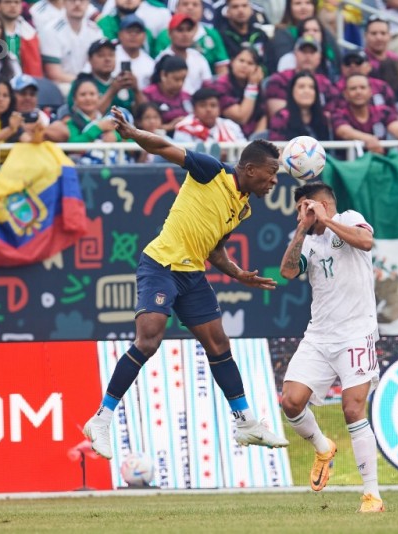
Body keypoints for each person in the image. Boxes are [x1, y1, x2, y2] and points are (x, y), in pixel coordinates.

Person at [83, 106, 289, 459]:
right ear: (250, 169)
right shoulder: (212, 171)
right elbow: (165, 147)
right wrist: (133, 134)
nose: (274, 182)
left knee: (219, 344)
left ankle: (245, 423)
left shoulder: (243, 207)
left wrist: (237, 273)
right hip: (161, 264)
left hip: (191, 275)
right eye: (271, 174)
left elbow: (215, 249)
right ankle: (101, 419)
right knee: (149, 339)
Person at [279, 182, 384, 514]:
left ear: (322, 204)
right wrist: (301, 229)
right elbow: (287, 271)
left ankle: (372, 496)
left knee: (353, 409)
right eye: (298, 210)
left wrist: (326, 219)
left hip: (356, 333)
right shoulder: (306, 240)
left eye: (304, 207)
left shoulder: (349, 218)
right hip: (319, 335)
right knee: (290, 402)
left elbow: (366, 242)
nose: (300, 214)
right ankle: (323, 447)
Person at [332, 73, 398, 154]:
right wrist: (367, 139)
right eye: (353, 89)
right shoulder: (338, 114)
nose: (358, 92)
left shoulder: (383, 111)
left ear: (370, 91)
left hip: (380, 159)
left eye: (363, 87)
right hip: (348, 161)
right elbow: (344, 132)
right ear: (345, 94)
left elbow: (397, 127)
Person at [203, 44, 266, 137]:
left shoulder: (257, 84)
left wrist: (257, 140)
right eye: (241, 61)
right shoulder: (220, 85)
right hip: (225, 137)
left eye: (250, 63)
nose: (244, 66)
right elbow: (241, 117)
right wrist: (252, 86)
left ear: (257, 68)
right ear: (232, 62)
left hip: (251, 139)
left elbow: (262, 115)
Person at [155, 0, 230, 76]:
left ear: (203, 10)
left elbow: (222, 68)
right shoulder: (164, 35)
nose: (190, 8)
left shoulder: (212, 34)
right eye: (185, 4)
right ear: (176, 9)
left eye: (195, 5)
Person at [39, 0, 104, 86]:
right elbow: (54, 74)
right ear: (64, 3)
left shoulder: (95, 30)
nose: (77, 3)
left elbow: (100, 67)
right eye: (72, 0)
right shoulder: (51, 30)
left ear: (88, 3)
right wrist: (84, 83)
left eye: (82, 0)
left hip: (90, 84)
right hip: (63, 84)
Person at [155, 13, 213, 94]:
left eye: (189, 30)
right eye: (180, 30)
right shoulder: (162, 59)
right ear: (170, 34)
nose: (185, 34)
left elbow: (208, 85)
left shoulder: (198, 58)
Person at [173, 86, 247, 147]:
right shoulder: (183, 128)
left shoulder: (231, 126)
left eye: (213, 105)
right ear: (194, 109)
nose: (209, 109)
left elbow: (244, 149)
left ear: (219, 109)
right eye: (203, 105)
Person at [268, 70, 331, 141]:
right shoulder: (282, 117)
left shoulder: (324, 118)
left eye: (311, 87)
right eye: (301, 87)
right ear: (292, 91)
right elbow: (277, 146)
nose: (307, 91)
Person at [142, 55, 193, 133]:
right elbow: (143, 125)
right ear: (163, 75)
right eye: (176, 79)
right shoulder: (148, 94)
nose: (180, 84)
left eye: (183, 79)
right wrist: (170, 126)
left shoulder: (186, 97)